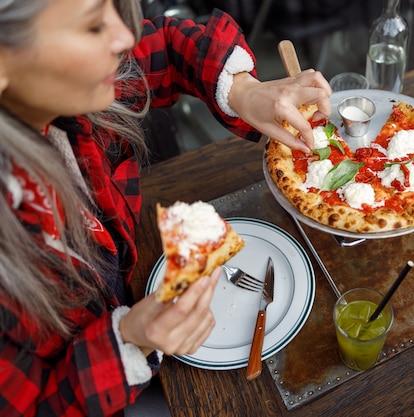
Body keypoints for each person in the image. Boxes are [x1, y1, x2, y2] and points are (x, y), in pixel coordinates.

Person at [0, 0, 332, 415]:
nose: (123, 36)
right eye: (91, 25)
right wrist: (130, 341)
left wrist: (243, 90)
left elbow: (167, 44)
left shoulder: (64, 94)